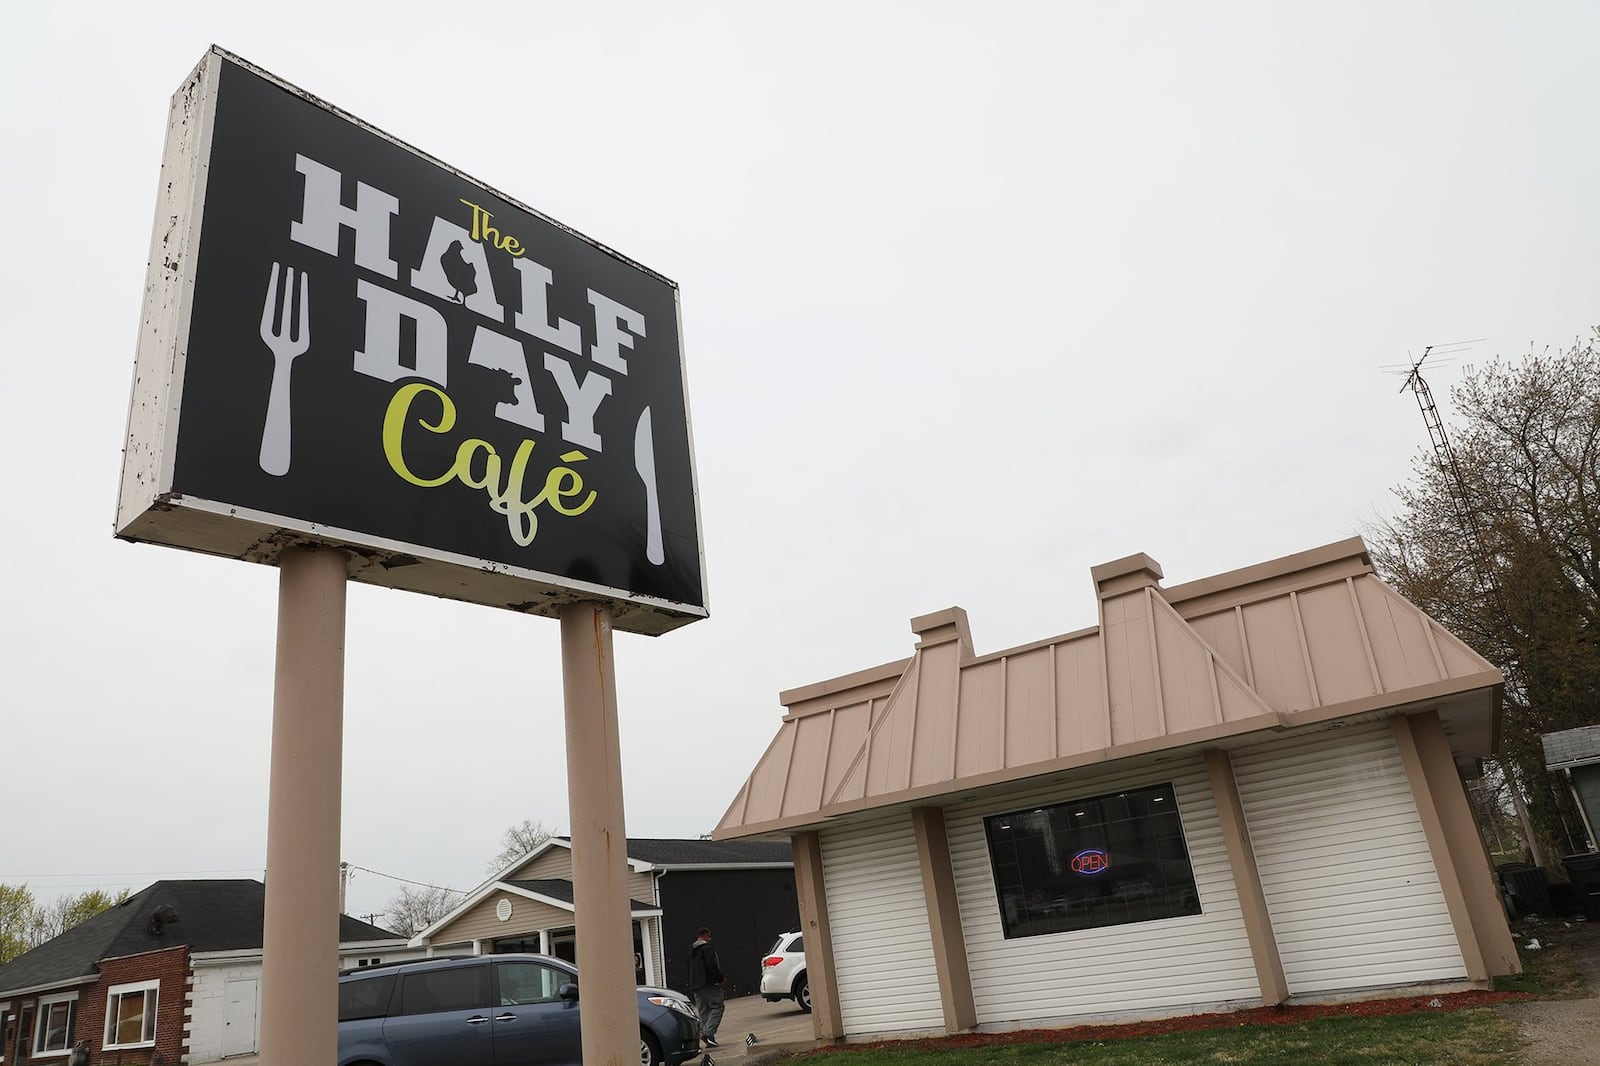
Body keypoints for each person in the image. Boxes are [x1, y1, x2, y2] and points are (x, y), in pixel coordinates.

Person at [686, 926, 725, 1047]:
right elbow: (712, 965)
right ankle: (708, 1033)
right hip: (707, 983)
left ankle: (707, 1036)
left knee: (703, 1010)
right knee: (718, 1006)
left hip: (695, 985)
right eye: (709, 936)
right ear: (705, 936)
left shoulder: (691, 950)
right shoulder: (707, 948)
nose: (710, 939)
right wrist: (720, 978)